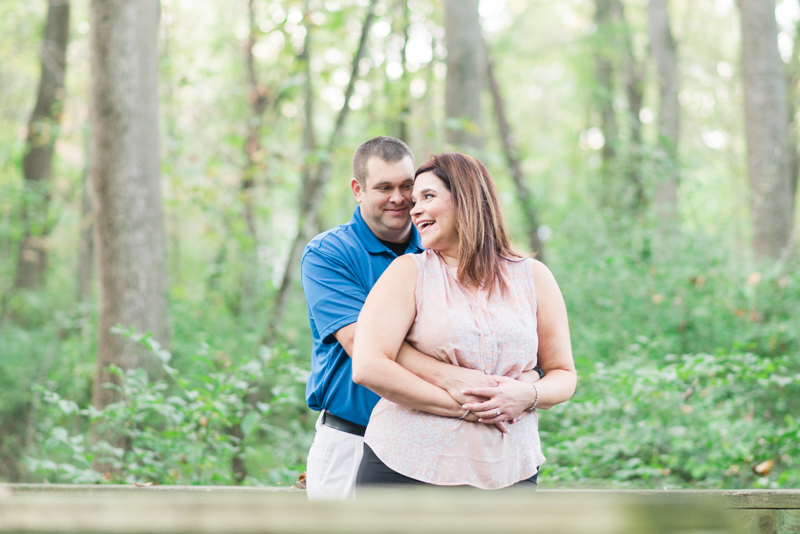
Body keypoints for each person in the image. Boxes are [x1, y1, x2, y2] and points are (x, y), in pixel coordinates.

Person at [302, 138, 543, 499]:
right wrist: (463, 387)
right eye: (384, 187)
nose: (399, 199)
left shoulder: (441, 247)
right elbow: (361, 346)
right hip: (353, 436)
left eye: (407, 187)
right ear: (358, 189)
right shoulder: (330, 254)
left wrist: (522, 383)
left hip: (442, 443)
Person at [352, 152, 577, 489]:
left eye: (428, 196)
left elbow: (563, 373)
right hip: (408, 467)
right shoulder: (408, 273)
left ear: (468, 199)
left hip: (509, 471)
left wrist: (527, 395)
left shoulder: (533, 277)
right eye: (415, 201)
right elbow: (369, 366)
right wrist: (467, 408)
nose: (413, 209)